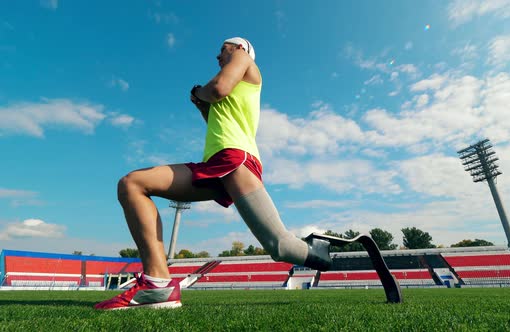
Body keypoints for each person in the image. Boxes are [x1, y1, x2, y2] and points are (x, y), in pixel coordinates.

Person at [94, 37, 332, 310]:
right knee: (132, 184)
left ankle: (324, 252)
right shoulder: (234, 80)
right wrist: (201, 104)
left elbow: (217, 89)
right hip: (215, 163)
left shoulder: (243, 59)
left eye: (223, 49)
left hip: (236, 159)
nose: (218, 56)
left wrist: (197, 90)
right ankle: (157, 284)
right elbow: (216, 114)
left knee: (280, 247)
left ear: (239, 47)